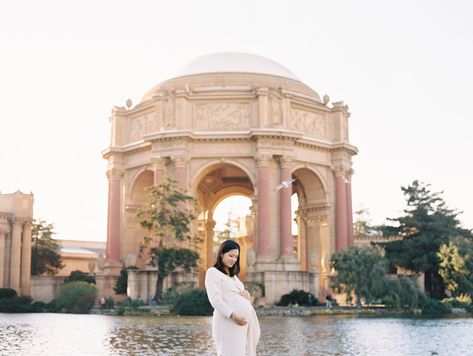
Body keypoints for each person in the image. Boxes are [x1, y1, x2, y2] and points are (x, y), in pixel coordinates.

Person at [205, 240, 260, 356]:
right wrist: (233, 316)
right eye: (230, 255)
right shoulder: (212, 272)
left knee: (239, 353)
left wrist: (247, 297)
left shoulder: (234, 277)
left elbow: (238, 295)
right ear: (221, 254)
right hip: (227, 321)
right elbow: (215, 300)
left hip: (241, 325)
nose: (233, 259)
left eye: (236, 257)